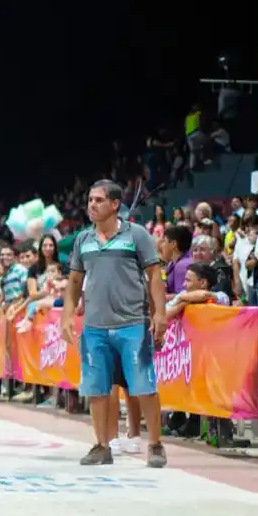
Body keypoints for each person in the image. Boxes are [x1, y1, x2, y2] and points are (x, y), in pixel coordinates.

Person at [61, 180, 168, 468]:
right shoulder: (83, 240)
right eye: (90, 200)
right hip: (94, 327)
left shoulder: (137, 235)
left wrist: (160, 313)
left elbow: (155, 275)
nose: (91, 205)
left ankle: (156, 445)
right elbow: (74, 281)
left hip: (132, 323)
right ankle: (101, 445)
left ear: (115, 204)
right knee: (96, 389)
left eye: (98, 200)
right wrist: (67, 315)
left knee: (144, 386)